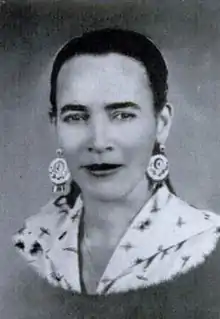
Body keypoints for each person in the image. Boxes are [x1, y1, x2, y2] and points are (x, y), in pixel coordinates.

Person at [12, 28, 220, 316]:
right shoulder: (31, 242)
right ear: (55, 126)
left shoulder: (206, 244)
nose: (98, 142)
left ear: (161, 123)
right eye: (76, 117)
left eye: (122, 115)